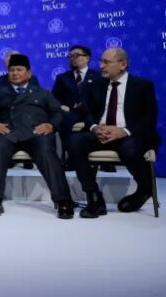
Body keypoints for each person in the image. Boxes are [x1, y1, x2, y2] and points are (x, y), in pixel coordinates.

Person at [69, 48, 160, 217]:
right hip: (101, 133)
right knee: (75, 142)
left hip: (129, 135)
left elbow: (149, 118)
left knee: (129, 149)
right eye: (101, 61)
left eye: (106, 62)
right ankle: (93, 196)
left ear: (123, 64)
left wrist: (123, 131)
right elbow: (87, 112)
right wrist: (95, 128)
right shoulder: (95, 85)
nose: (101, 66)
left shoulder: (142, 85)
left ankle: (145, 188)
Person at [0, 54, 74, 219]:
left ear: (29, 73)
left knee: (47, 153)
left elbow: (57, 113)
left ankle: (63, 200)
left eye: (19, 70)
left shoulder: (43, 93)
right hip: (7, 133)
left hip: (36, 134)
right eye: (11, 70)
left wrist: (51, 125)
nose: (15, 73)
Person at [51, 45, 106, 169]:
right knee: (62, 120)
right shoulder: (62, 78)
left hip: (93, 112)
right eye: (70, 56)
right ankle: (71, 157)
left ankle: (103, 162)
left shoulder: (98, 77)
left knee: (97, 121)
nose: (73, 58)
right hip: (71, 112)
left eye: (76, 55)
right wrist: (61, 106)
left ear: (87, 58)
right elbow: (53, 98)